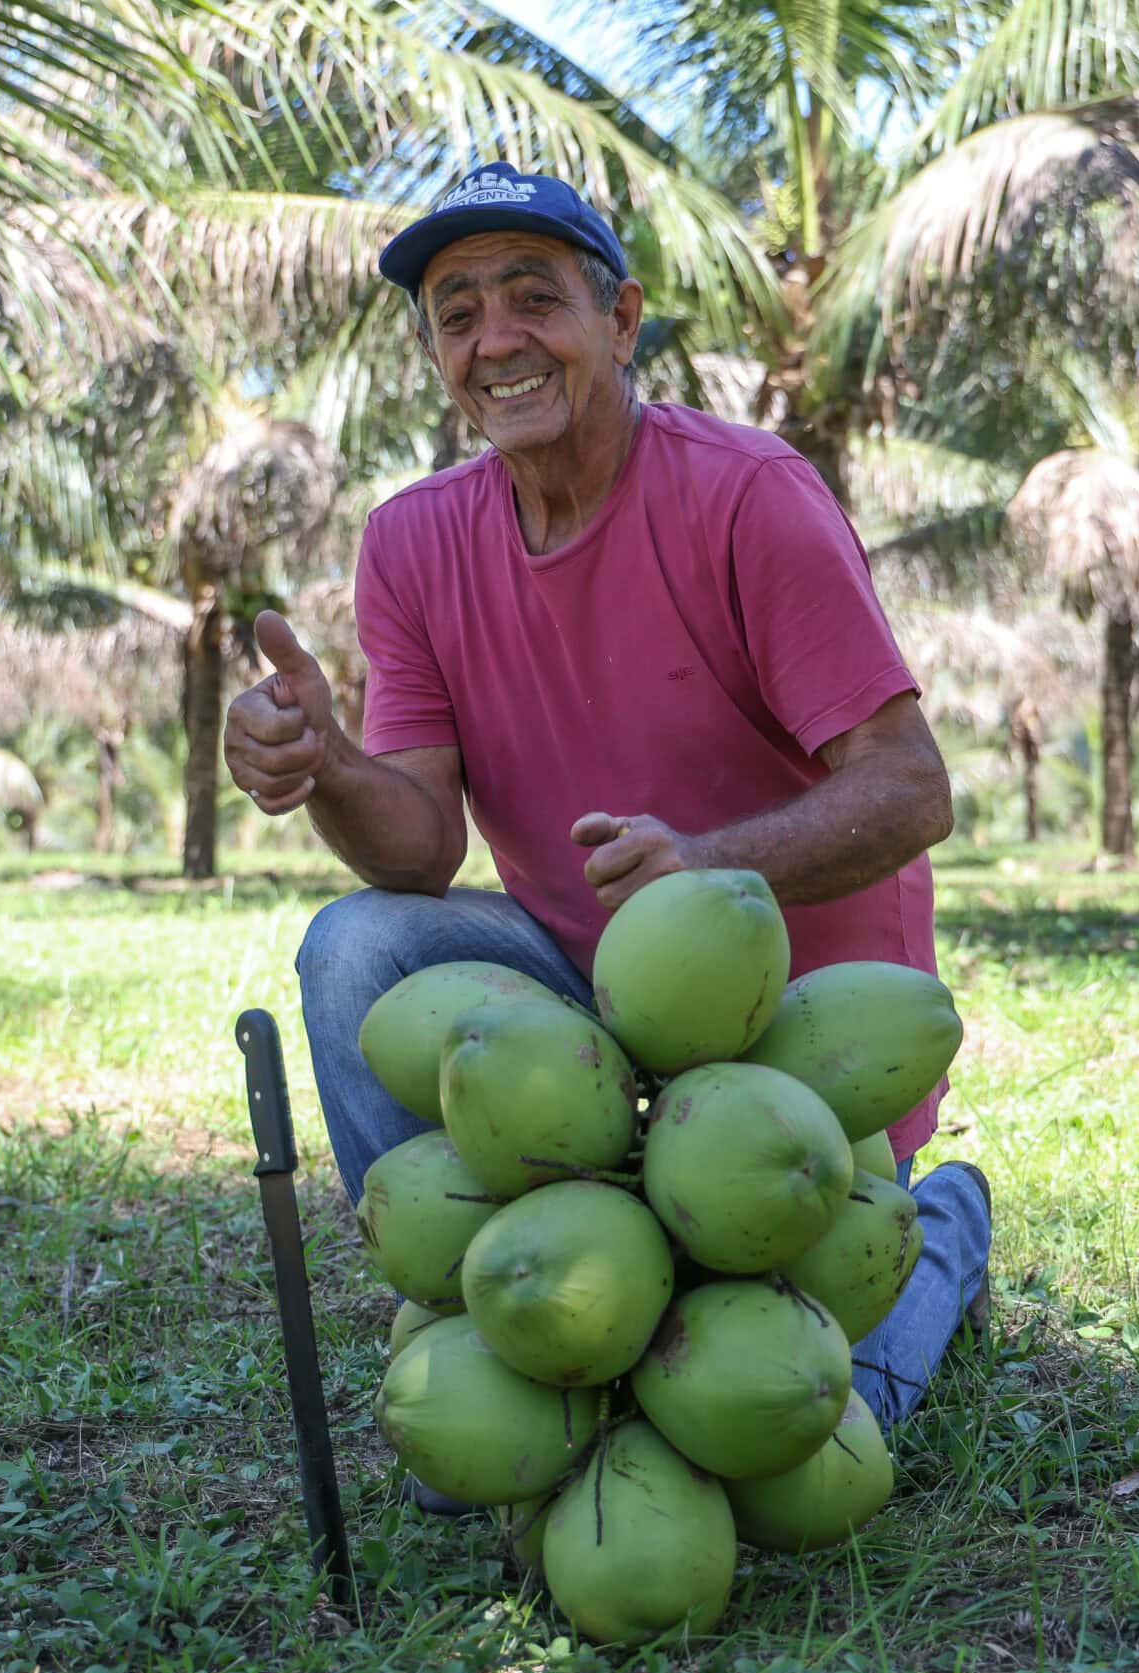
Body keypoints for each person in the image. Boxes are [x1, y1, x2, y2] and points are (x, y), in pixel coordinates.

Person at [222, 163, 994, 1497]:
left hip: (792, 1023)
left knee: (814, 1404)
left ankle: (945, 1223)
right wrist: (334, 766)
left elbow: (912, 788)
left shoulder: (750, 496)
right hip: (579, 999)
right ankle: (483, 1324)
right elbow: (417, 854)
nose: (496, 339)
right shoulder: (411, 544)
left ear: (623, 319)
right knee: (353, 948)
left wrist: (708, 870)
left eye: (536, 297)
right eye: (458, 313)